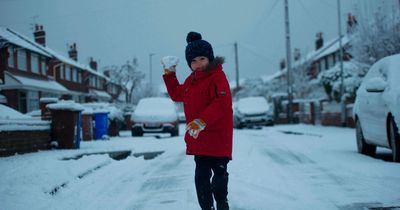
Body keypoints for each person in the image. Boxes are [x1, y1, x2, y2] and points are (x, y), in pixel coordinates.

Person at [162, 31, 233, 210]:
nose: (198, 64)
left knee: (219, 175)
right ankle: (206, 208)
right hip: (199, 137)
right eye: (193, 61)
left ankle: (222, 203)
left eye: (202, 59)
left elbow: (222, 102)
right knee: (201, 177)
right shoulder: (192, 79)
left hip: (217, 136)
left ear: (209, 58)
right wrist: (170, 74)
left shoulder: (218, 76)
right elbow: (178, 94)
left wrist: (202, 121)